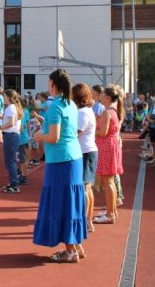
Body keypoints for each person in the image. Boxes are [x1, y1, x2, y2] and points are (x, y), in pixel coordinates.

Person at [32, 69, 87, 263]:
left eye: (49, 83)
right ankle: (76, 245)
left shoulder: (55, 106)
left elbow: (53, 137)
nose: (48, 86)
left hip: (61, 161)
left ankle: (70, 250)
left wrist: (38, 135)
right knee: (71, 203)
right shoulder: (70, 103)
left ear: (54, 84)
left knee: (62, 203)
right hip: (73, 158)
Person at [94, 86, 124, 224]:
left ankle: (110, 213)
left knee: (108, 181)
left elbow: (102, 132)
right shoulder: (113, 111)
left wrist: (89, 130)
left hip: (107, 147)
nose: (100, 96)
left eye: (102, 95)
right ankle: (111, 211)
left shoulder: (107, 112)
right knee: (109, 181)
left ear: (107, 97)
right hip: (110, 146)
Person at [72, 83, 98, 233]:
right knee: (87, 187)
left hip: (85, 152)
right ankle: (87, 219)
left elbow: (75, 132)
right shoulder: (85, 111)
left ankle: (87, 220)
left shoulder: (82, 113)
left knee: (84, 187)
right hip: (87, 150)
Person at [0, 89, 23, 193]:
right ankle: (13, 182)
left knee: (10, 161)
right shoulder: (12, 107)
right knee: (9, 160)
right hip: (12, 135)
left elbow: (11, 123)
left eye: (4, 96)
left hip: (11, 135)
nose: (3, 98)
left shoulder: (10, 107)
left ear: (8, 97)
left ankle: (14, 184)